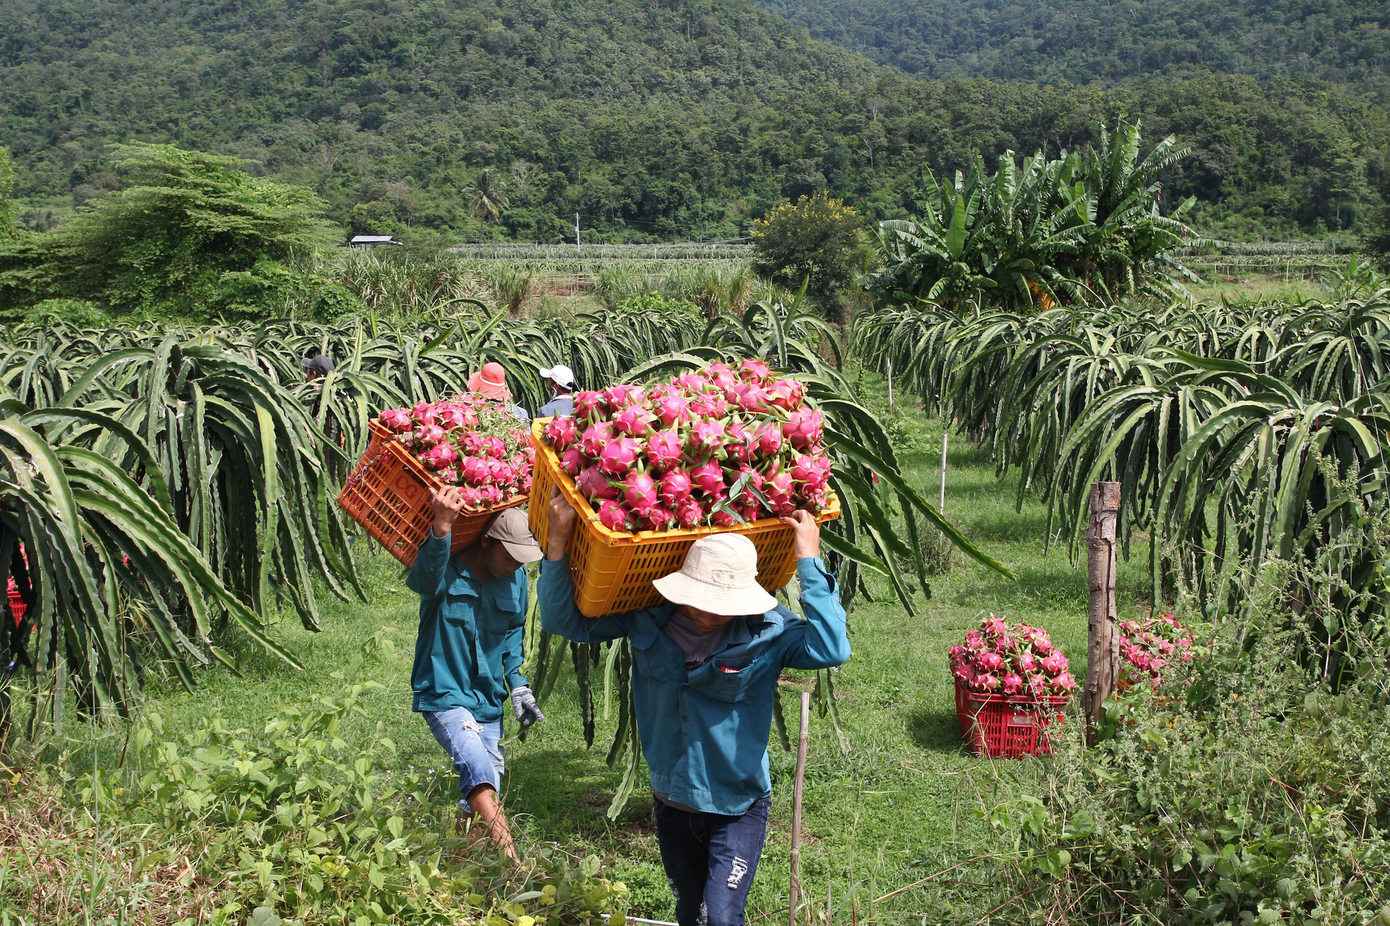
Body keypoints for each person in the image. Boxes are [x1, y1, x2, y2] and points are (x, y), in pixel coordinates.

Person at [538, 488, 850, 926]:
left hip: (738, 805)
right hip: (673, 799)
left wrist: (809, 560)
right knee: (690, 911)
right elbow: (562, 620)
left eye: (722, 605)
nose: (708, 614)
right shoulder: (646, 616)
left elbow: (832, 648)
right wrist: (556, 541)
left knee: (721, 918)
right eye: (700, 599)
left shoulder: (770, 631)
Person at [408, 493, 546, 860]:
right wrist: (441, 527)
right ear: (487, 541)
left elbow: (514, 631)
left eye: (521, 559)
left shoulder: (515, 579)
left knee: (478, 796)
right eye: (509, 555)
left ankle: (457, 869)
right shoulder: (447, 567)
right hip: (444, 690)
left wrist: (517, 682)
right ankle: (517, 867)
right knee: (479, 771)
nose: (515, 564)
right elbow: (421, 581)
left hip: (487, 701)